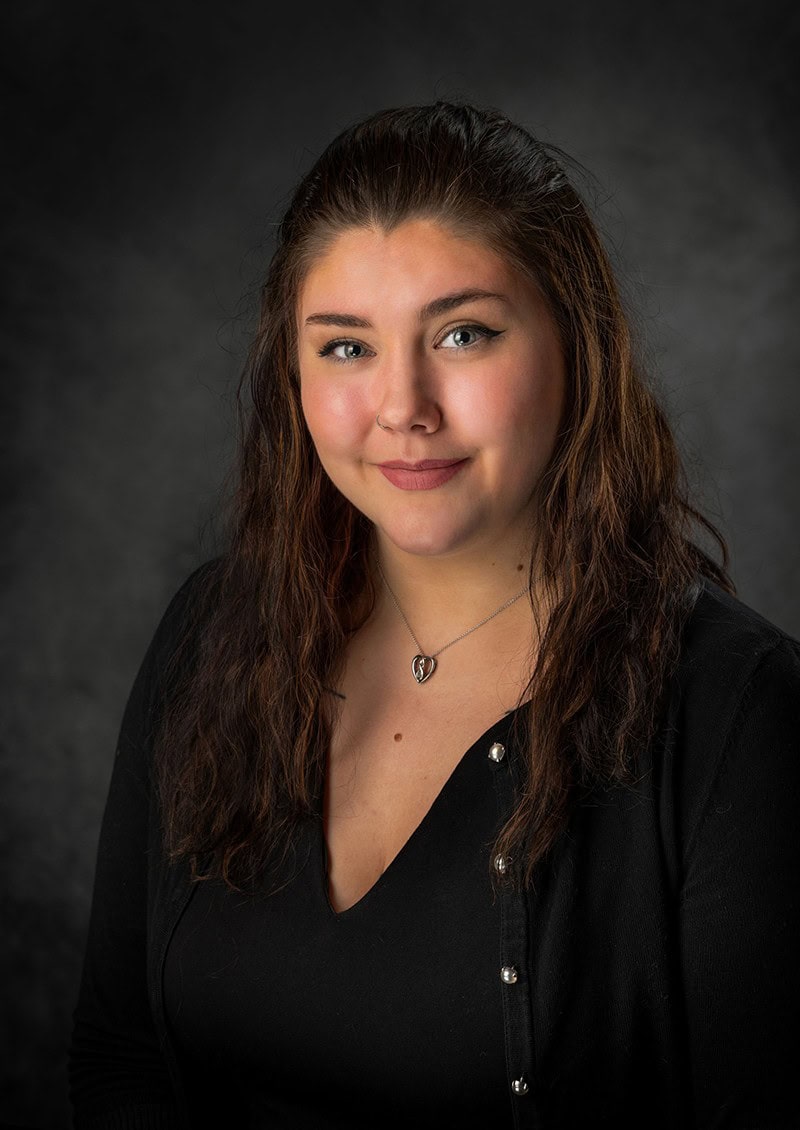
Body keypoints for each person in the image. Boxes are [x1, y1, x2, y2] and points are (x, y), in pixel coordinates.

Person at [69, 103, 800, 1129]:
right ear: (292, 373)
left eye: (463, 334)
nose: (402, 406)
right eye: (345, 347)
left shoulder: (736, 711)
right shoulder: (211, 636)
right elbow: (120, 1057)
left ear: (577, 346)